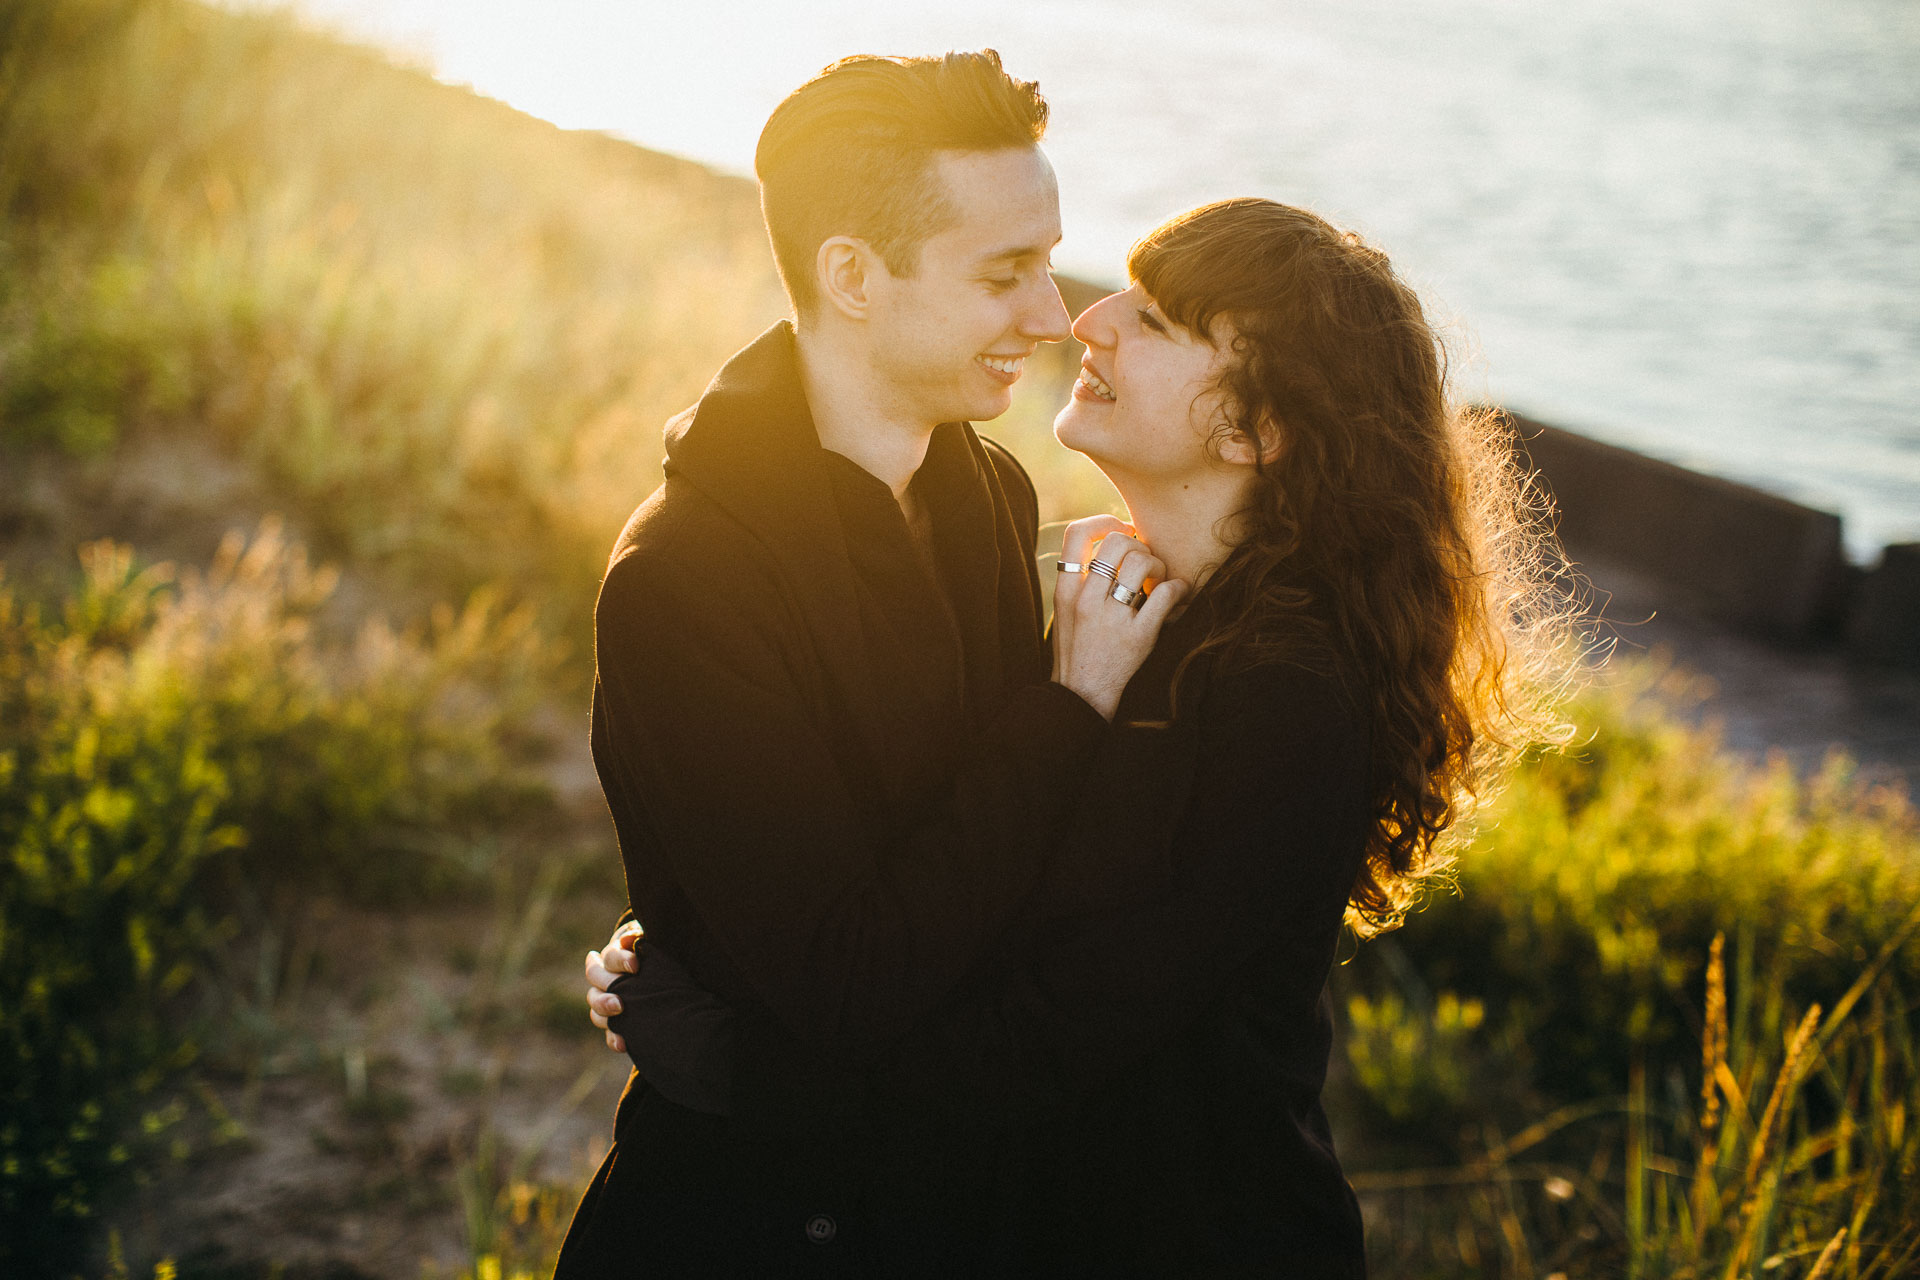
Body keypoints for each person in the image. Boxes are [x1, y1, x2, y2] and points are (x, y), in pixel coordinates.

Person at [586, 198, 1578, 1275]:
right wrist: (716, 938)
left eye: (1157, 322)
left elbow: (1057, 1030)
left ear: (1255, 429)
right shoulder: (1113, 613)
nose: (1089, 320)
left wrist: (734, 1057)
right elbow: (941, 841)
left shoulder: (1288, 696)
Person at [552, 50, 1188, 1277]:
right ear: (850, 273)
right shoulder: (685, 578)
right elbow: (849, 982)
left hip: (953, 1209)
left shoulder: (992, 491)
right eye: (1005, 272)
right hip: (750, 1228)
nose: (1054, 315)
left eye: (1048, 262)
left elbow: (1012, 884)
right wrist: (1070, 704)